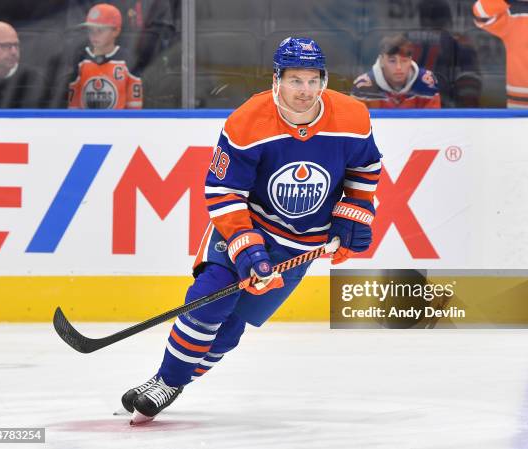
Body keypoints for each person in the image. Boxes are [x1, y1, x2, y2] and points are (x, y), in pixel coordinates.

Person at [121, 37, 382, 425]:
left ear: (324, 81)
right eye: (295, 81)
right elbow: (224, 191)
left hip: (299, 247)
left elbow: (365, 171)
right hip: (247, 228)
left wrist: (353, 215)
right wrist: (249, 250)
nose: (305, 91)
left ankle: (169, 381)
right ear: (277, 79)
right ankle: (167, 381)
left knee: (228, 332)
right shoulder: (247, 121)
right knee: (209, 300)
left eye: (313, 81)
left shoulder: (353, 118)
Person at [408, 0, 482, 107]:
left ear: (421, 19)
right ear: (448, 18)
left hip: (411, 108)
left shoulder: (404, 41)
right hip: (444, 107)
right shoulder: (459, 43)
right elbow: (469, 86)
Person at [68, 3, 142, 109]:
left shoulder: (128, 61)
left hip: (118, 124)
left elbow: (135, 108)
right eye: (90, 30)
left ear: (116, 31)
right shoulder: (81, 59)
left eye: (100, 30)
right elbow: (73, 107)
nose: (94, 35)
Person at [351, 33, 441, 109]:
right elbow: (356, 125)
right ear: (381, 61)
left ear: (411, 60)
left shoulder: (427, 82)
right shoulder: (363, 86)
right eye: (392, 61)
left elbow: (434, 124)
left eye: (404, 61)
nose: (398, 67)